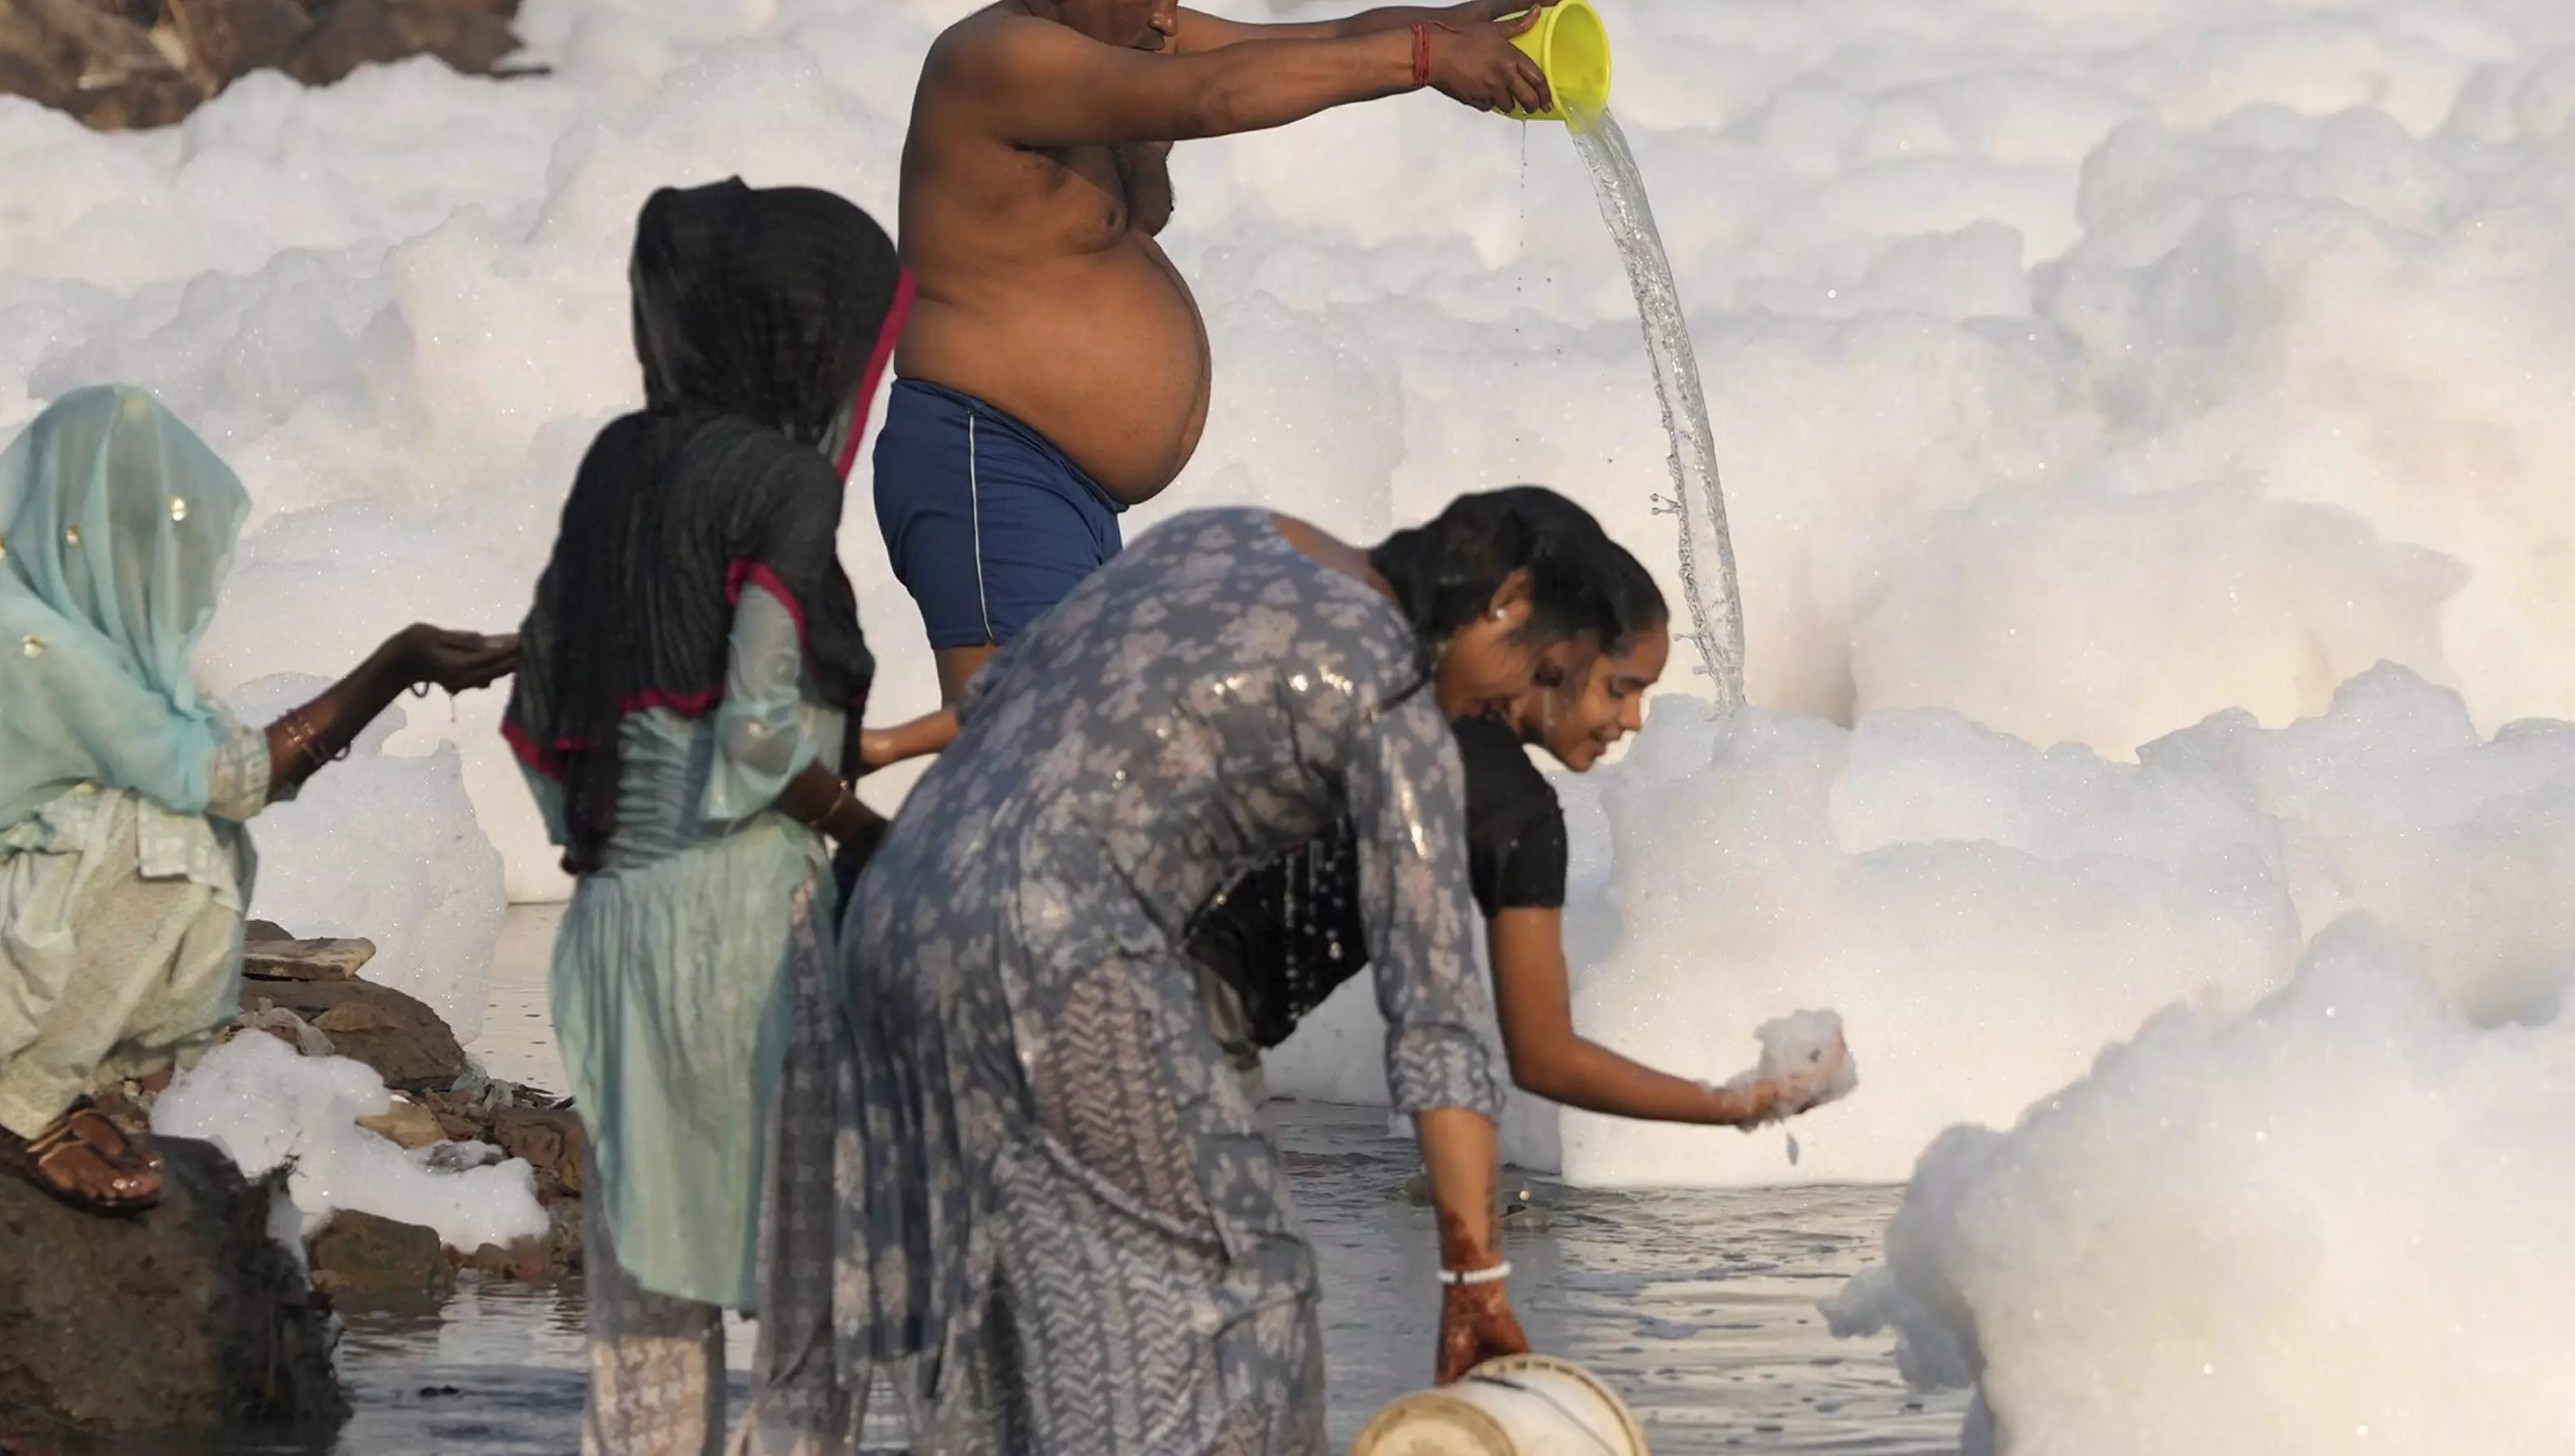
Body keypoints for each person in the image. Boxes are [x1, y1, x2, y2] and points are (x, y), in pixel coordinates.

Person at [828, 489, 1655, 1455]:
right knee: (1247, 1313)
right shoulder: (1392, 688)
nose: (1511, 701)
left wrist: (879, 750)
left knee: (1002, 1348)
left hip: (891, 923)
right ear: (1506, 602)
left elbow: (1011, 690)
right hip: (1067, 962)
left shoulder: (1219, 537)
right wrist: (1472, 1278)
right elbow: (1434, 1022)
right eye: (1540, 663)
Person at [873, 0, 1564, 721]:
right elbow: (1215, 96)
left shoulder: (1122, 37)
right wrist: (1426, 56)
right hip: (990, 460)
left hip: (1069, 486)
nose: (1170, 17)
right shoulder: (998, 58)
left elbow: (1310, 42)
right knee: (1017, 763)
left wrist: (1455, 27)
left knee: (1074, 763)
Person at [0, 385, 516, 1213]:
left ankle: (37, 1097)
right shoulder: (29, 652)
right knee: (178, 846)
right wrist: (397, 665)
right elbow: (231, 782)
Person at [502, 180, 911, 1456]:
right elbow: (753, 735)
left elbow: (537, 715)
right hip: (748, 921)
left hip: (613, 918)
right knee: (815, 1281)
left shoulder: (618, 461)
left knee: (643, 1301)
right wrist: (874, 835)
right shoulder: (784, 481)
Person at [1187, 515, 1855, 1127]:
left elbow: (1263, 538)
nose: (1634, 720)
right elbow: (1543, 1055)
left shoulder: (1399, 691)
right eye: (1619, 689)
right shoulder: (1513, 811)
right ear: (1553, 659)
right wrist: (1742, 1102)